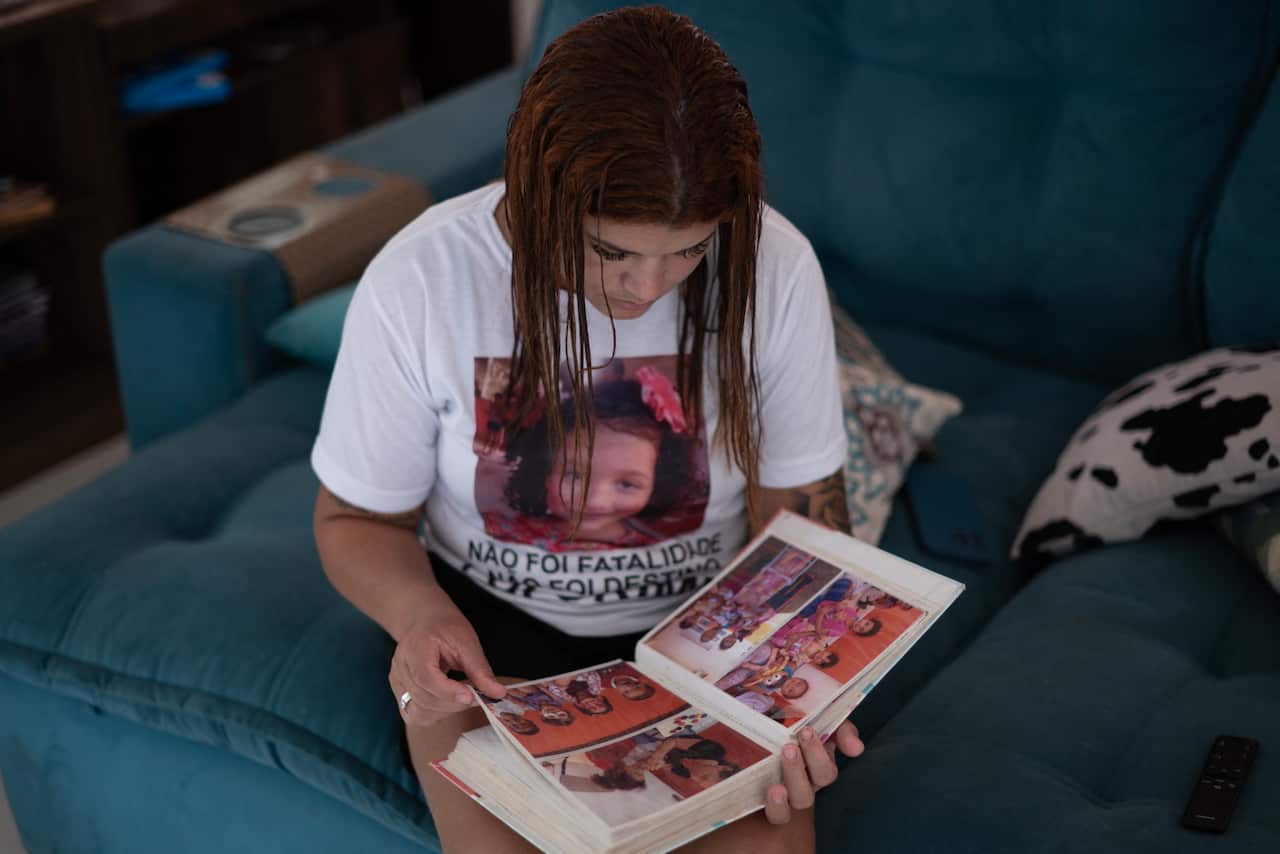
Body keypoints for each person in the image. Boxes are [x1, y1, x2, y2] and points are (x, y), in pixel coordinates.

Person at [310, 7, 861, 852]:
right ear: (537, 192)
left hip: (705, 648)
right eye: (612, 253)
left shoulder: (774, 265)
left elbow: (802, 518)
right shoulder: (424, 278)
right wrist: (418, 616)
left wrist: (809, 693)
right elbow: (353, 519)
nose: (650, 288)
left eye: (688, 252)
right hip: (492, 647)